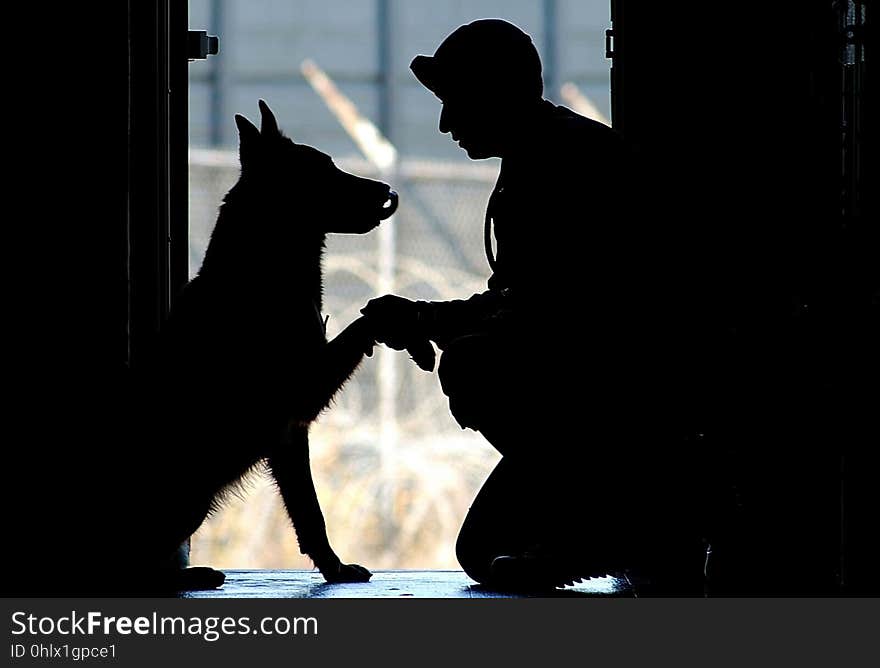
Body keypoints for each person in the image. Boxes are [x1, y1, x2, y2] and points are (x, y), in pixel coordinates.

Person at [363, 19, 706, 592]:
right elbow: (528, 304)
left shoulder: (563, 169)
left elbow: (546, 318)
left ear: (496, 96)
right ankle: (635, 526)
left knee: (477, 366)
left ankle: (621, 521)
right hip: (610, 400)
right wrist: (427, 318)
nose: (446, 123)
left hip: (619, 402)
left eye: (457, 102)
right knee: (483, 552)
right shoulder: (548, 155)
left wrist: (429, 321)